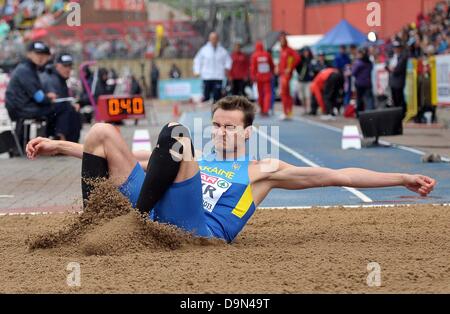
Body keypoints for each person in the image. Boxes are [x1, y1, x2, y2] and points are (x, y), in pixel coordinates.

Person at [26, 96, 436, 244]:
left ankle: (132, 222)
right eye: (217, 124)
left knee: (174, 132)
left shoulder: (264, 169)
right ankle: (91, 223)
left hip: (200, 230)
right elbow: (126, 162)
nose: (221, 132)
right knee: (101, 130)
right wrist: (59, 146)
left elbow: (340, 175)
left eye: (229, 127)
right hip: (162, 209)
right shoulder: (191, 158)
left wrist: (402, 177)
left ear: (248, 131)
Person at [5, 41, 56, 147]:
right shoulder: (25, 70)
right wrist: (48, 99)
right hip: (20, 108)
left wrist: (46, 97)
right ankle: (50, 143)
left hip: (23, 106)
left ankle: (50, 142)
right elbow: (39, 98)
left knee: (55, 107)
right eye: (37, 54)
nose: (40, 57)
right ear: (29, 54)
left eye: (42, 54)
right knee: (56, 109)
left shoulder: (29, 68)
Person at [40, 53, 82, 142]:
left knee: (73, 109)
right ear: (57, 66)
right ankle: (61, 138)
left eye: (70, 66)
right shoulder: (50, 79)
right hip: (43, 109)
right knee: (67, 108)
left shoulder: (60, 78)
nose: (68, 69)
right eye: (65, 66)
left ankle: (69, 140)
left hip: (52, 109)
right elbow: (54, 100)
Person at [193, 32, 232, 103]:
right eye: (212, 38)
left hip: (218, 76)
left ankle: (216, 111)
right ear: (209, 39)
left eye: (215, 38)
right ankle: (206, 112)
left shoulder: (222, 51)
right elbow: (197, 60)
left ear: (218, 39)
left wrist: (227, 68)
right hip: (207, 76)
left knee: (217, 96)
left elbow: (228, 60)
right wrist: (197, 71)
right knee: (206, 96)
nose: (214, 40)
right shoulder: (204, 50)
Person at [277, 32, 301, 120]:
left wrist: (290, 68)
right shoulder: (282, 50)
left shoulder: (289, 50)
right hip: (282, 74)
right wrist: (278, 67)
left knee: (285, 93)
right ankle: (287, 112)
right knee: (285, 94)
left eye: (282, 40)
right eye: (280, 40)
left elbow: (297, 58)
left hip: (286, 75)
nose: (281, 41)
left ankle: (287, 112)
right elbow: (282, 62)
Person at [250, 41, 274, 116]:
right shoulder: (267, 54)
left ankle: (262, 109)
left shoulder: (254, 56)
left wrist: (253, 77)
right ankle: (266, 109)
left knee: (260, 94)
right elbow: (272, 65)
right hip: (267, 78)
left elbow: (253, 67)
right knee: (267, 94)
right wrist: (271, 73)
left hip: (259, 78)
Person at [386, 41, 408, 117]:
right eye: (395, 48)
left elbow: (398, 69)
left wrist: (392, 69)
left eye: (397, 48)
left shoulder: (403, 57)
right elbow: (387, 66)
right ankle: (397, 114)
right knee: (394, 99)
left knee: (399, 98)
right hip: (393, 81)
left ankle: (401, 114)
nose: (396, 49)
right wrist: (390, 68)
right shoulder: (393, 56)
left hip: (399, 81)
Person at [352, 47, 374, 116]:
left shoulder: (358, 63)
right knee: (368, 99)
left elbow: (353, 72)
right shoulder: (369, 63)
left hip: (360, 83)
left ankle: (359, 114)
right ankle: (369, 114)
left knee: (359, 99)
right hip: (368, 83)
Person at [295, 47, 315, 115]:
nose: (306, 53)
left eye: (307, 52)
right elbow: (296, 67)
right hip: (301, 80)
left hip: (308, 81)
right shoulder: (300, 60)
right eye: (305, 52)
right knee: (301, 97)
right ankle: (304, 109)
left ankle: (308, 109)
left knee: (308, 95)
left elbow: (313, 70)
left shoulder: (311, 60)